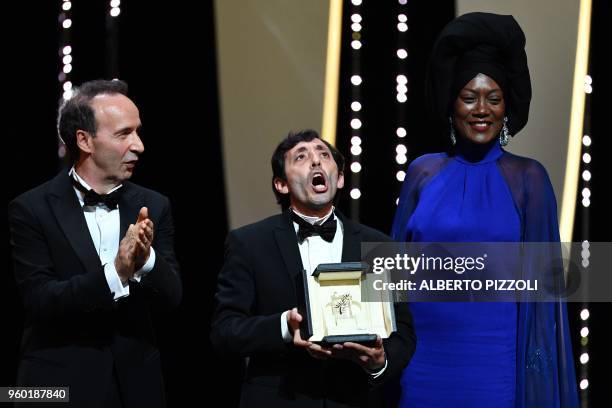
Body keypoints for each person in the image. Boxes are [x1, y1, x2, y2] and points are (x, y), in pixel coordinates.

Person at [390, 12, 578, 408]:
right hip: (422, 361)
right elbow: (390, 275)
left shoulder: (528, 178)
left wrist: (537, 375)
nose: (481, 109)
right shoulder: (422, 172)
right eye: (469, 96)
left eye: (493, 98)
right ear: (451, 104)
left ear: (505, 107)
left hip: (495, 366)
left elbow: (547, 292)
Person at [8, 79, 182, 408]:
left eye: (138, 131)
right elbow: (39, 300)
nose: (140, 145)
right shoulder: (31, 208)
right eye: (124, 133)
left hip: (137, 387)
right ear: (85, 140)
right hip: (56, 387)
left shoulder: (155, 205)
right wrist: (115, 273)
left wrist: (145, 261)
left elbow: (173, 297)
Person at [211, 130, 416, 407]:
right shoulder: (249, 243)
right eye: (301, 156)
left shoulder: (377, 244)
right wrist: (285, 325)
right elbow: (225, 333)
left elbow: (402, 331)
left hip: (353, 399)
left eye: (323, 155)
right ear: (281, 184)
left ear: (340, 178)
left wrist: (379, 362)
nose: (316, 162)